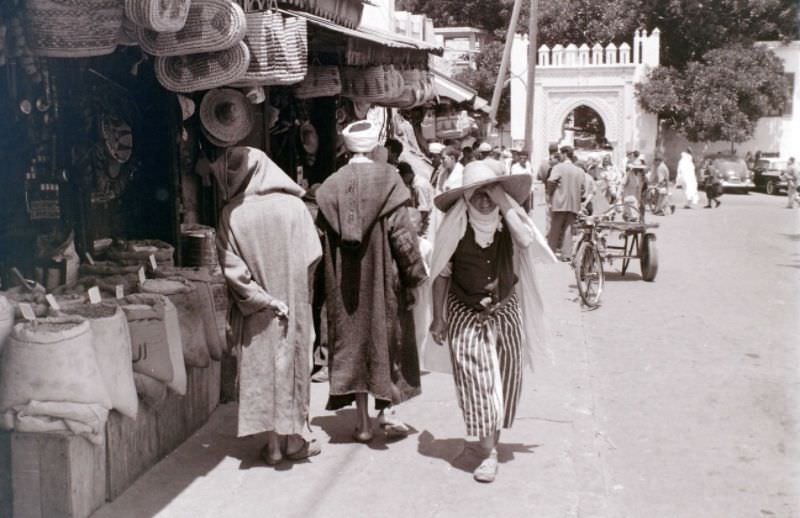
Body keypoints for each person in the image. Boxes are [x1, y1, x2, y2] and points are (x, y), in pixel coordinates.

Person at [428, 160, 556, 483]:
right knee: (478, 381)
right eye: (477, 195)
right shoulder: (454, 226)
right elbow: (441, 273)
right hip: (465, 311)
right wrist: (439, 317)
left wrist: (503, 201)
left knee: (505, 378)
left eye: (490, 194)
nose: (483, 201)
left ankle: (490, 443)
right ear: (466, 199)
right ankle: (488, 453)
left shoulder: (508, 223)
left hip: (505, 309)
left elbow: (527, 241)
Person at [316, 120, 428, 443]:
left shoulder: (330, 187)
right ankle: (387, 412)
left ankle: (363, 423)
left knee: (352, 345)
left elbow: (320, 242)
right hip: (383, 283)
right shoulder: (390, 181)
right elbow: (403, 237)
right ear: (373, 146)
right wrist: (415, 276)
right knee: (385, 341)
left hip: (344, 285)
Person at [213, 147, 322, 465]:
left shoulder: (232, 213)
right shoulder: (295, 207)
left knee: (263, 370)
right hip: (294, 300)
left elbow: (231, 269)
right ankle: (293, 442)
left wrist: (262, 298)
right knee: (292, 367)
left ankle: (272, 447)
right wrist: (297, 294)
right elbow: (313, 257)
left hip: (258, 309)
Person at [546, 146, 585, 260]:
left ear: (564, 154)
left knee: (555, 229)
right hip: (573, 204)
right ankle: (566, 254)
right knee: (569, 229)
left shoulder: (558, 167)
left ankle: (550, 252)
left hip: (559, 202)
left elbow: (551, 180)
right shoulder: (579, 170)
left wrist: (550, 194)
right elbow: (582, 188)